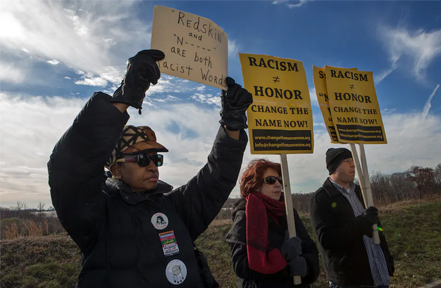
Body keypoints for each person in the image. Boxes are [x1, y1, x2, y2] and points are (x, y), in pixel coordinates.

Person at [48, 49, 253, 288]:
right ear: (115, 169)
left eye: (156, 159)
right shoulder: (95, 215)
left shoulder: (173, 206)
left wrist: (232, 126)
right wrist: (123, 97)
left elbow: (215, 180)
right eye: (143, 158)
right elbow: (71, 168)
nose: (153, 166)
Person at [226, 159, 320, 288]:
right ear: (255, 185)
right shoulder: (245, 215)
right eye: (270, 180)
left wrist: (307, 265)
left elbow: (309, 247)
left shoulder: (288, 211)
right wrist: (281, 255)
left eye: (279, 180)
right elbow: (240, 265)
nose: (278, 184)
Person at [309, 148, 395, 288]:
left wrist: (387, 257)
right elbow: (326, 239)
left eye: (353, 160)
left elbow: (378, 226)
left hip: (378, 274)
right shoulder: (321, 198)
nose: (353, 164)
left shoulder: (361, 192)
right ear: (334, 166)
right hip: (350, 280)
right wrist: (362, 223)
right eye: (347, 161)